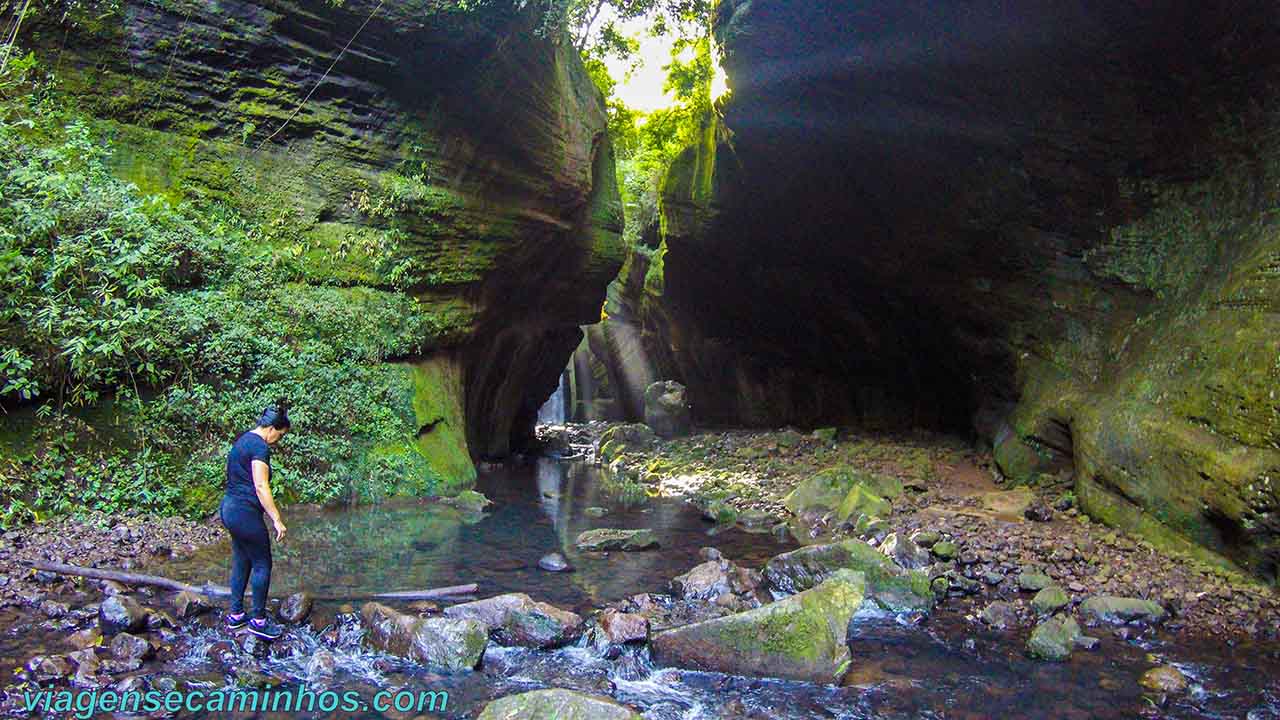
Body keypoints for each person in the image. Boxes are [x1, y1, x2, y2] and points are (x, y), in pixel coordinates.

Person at [219, 399, 291, 640]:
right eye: (279, 436)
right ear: (272, 429)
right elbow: (261, 486)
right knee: (262, 563)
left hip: (229, 509)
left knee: (242, 560)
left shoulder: (243, 440)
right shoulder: (260, 447)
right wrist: (277, 519)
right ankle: (258, 621)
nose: (278, 441)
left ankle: (236, 615)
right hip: (244, 513)